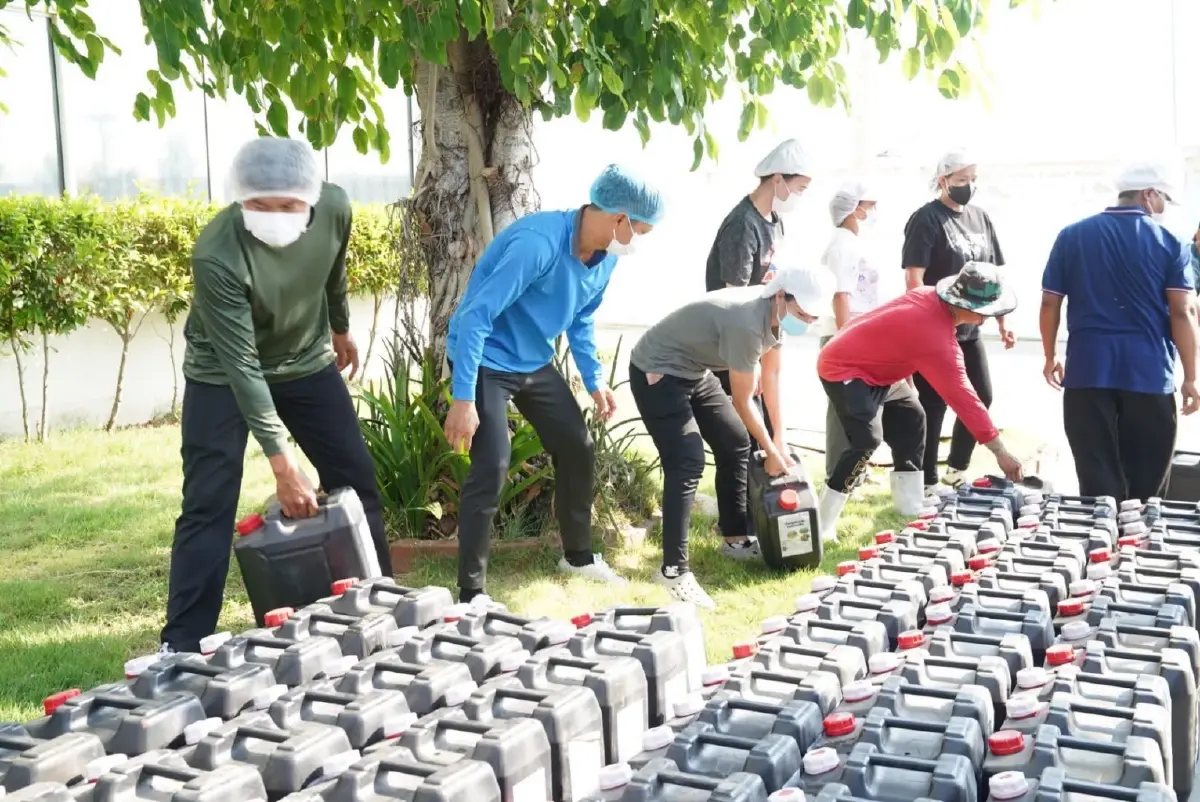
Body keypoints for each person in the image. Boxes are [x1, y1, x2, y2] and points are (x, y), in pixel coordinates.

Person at [160, 138, 389, 655]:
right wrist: (283, 466)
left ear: (310, 198)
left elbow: (332, 269)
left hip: (305, 358)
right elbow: (243, 367)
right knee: (208, 504)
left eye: (287, 205)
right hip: (221, 370)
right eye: (259, 205)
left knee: (356, 480)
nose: (274, 215)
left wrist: (339, 326)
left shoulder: (334, 207)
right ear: (240, 199)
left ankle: (382, 604)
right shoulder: (216, 254)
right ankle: (181, 644)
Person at [443, 164, 664, 604]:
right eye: (639, 229)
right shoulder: (537, 245)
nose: (639, 240)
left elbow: (581, 318)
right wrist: (464, 396)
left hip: (531, 359)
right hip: (487, 356)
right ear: (618, 217)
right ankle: (471, 594)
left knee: (576, 445)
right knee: (493, 463)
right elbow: (475, 317)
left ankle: (577, 557)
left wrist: (595, 380)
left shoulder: (604, 258)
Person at [629, 267, 829, 608]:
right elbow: (743, 399)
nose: (805, 322)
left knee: (736, 441)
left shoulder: (775, 315)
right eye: (801, 314)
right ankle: (673, 572)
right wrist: (769, 451)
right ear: (781, 295)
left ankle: (734, 538)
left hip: (693, 368)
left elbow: (772, 375)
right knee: (687, 460)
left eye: (812, 317)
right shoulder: (746, 323)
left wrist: (779, 439)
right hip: (658, 369)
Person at [817, 262, 1025, 542]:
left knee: (913, 417)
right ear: (969, 309)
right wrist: (999, 451)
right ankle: (822, 524)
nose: (987, 319)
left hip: (879, 370)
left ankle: (909, 507)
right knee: (866, 440)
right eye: (986, 312)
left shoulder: (931, 298)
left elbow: (897, 337)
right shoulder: (936, 338)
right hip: (845, 368)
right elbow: (964, 398)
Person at [1039, 161, 1199, 502]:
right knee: (1147, 482)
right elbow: (1182, 311)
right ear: (1149, 194)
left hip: (1086, 371)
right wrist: (1191, 376)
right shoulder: (1172, 243)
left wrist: (1050, 355)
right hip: (1148, 373)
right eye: (1164, 200)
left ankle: (1098, 544)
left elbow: (1050, 303)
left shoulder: (1072, 235)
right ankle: (1137, 545)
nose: (1164, 209)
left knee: (1096, 475)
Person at [902, 151, 1014, 492]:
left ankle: (956, 467)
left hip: (970, 327)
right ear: (943, 181)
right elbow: (913, 279)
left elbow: (994, 275)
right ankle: (927, 479)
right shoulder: (926, 219)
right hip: (937, 327)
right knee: (932, 403)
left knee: (981, 395)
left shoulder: (981, 218)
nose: (969, 186)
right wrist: (924, 325)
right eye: (962, 180)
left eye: (973, 179)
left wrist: (1002, 322)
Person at [818, 181, 881, 482]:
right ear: (854, 209)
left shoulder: (853, 242)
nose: (872, 211)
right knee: (843, 411)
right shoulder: (842, 245)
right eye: (869, 206)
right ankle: (838, 473)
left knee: (860, 410)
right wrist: (847, 343)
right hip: (845, 336)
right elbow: (841, 296)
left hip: (861, 335)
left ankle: (856, 471)